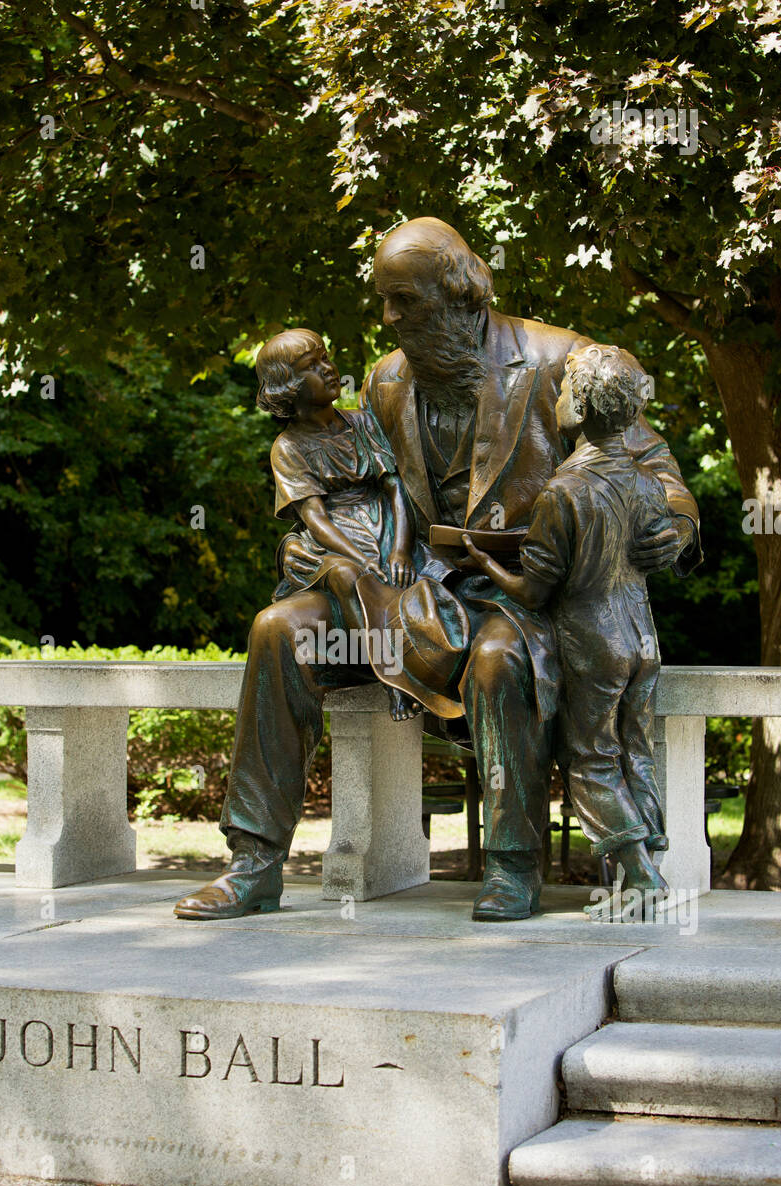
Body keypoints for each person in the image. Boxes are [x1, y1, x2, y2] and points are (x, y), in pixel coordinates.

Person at [174, 217, 701, 924]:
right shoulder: (386, 379)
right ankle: (254, 862)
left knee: (497, 661)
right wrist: (320, 552)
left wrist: (674, 525)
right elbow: (351, 493)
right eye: (383, 301)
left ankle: (513, 865)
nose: (389, 318)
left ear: (461, 295)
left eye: (404, 300)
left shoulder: (558, 361)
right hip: (407, 585)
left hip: (525, 593)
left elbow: (654, 471)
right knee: (278, 630)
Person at [462, 343, 670, 911]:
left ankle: (642, 875)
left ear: (580, 406)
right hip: (643, 639)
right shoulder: (648, 483)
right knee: (636, 750)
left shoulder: (563, 490)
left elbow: (535, 590)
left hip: (593, 642)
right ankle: (649, 863)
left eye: (564, 389)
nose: (554, 398)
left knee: (590, 758)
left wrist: (485, 562)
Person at [255, 326, 448, 722]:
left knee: (435, 576)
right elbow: (315, 518)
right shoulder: (288, 448)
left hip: (386, 528)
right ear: (287, 387)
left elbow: (395, 490)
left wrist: (397, 548)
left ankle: (441, 662)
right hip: (333, 543)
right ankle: (393, 678)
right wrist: (359, 556)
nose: (328, 369)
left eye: (325, 357)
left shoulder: (361, 423)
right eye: (312, 366)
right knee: (347, 577)